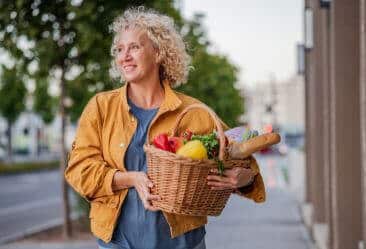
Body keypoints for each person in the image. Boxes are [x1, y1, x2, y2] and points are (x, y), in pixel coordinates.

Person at [65, 6, 266, 249]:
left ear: (158, 53)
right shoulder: (101, 107)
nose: (124, 56)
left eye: (135, 47)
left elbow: (241, 161)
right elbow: (79, 169)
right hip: (117, 244)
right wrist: (130, 179)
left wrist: (243, 179)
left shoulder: (193, 112)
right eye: (120, 49)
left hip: (183, 244)